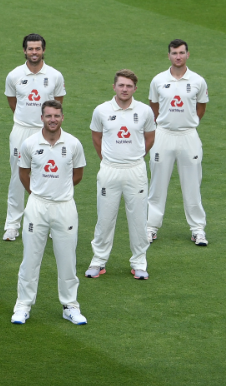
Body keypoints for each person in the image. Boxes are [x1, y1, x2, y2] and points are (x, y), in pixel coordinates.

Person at [12, 100, 87, 325]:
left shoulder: (73, 143)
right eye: (48, 116)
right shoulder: (30, 144)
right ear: (41, 118)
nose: (52, 120)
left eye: (56, 116)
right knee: (30, 258)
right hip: (37, 206)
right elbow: (23, 173)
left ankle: (70, 306)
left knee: (67, 259)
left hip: (65, 207)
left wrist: (59, 191)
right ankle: (23, 305)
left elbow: (78, 174)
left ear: (62, 117)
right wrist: (38, 193)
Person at [86, 70, 156, 280]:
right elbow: (96, 138)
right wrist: (109, 159)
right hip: (109, 170)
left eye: (129, 86)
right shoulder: (101, 110)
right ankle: (98, 261)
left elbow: (150, 137)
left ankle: (139, 263)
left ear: (135, 88)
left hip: (135, 170)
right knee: (105, 219)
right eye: (121, 85)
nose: (125, 89)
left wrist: (135, 157)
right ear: (114, 87)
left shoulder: (144, 111)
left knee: (138, 219)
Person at [2, 34, 65, 241]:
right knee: (17, 176)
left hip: (46, 132)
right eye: (30, 49)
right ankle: (12, 224)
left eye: (38, 49)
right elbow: (13, 103)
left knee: (46, 176)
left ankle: (47, 224)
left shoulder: (55, 76)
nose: (34, 52)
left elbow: (57, 107)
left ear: (43, 50)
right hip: (21, 131)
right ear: (24, 51)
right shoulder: (14, 75)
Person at [147, 39, 208, 246]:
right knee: (157, 183)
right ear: (169, 56)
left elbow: (201, 107)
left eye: (182, 53)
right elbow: (153, 107)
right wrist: (165, 124)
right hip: (163, 135)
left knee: (192, 184)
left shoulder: (198, 81)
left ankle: (197, 229)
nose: (178, 56)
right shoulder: (158, 80)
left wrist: (189, 124)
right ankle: (150, 227)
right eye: (174, 53)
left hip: (188, 136)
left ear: (187, 55)